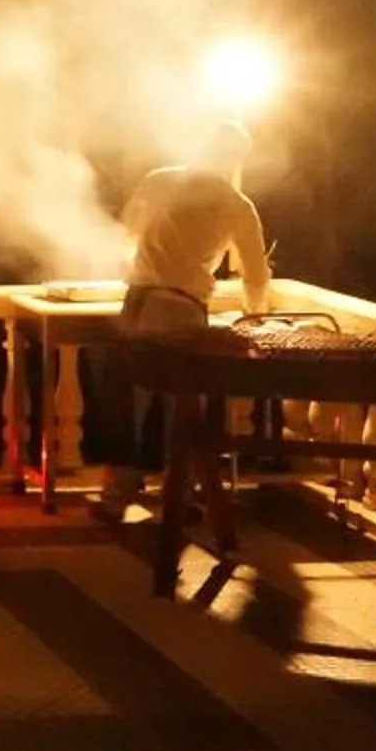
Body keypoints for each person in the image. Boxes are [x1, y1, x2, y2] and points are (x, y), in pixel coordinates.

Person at [106, 122, 274, 514]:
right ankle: (175, 494)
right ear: (233, 159)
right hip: (183, 308)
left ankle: (117, 491)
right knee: (181, 406)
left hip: (138, 303)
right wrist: (256, 312)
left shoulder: (159, 181)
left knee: (128, 396)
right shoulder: (235, 204)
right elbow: (256, 274)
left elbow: (128, 233)